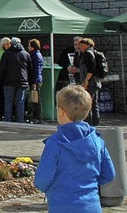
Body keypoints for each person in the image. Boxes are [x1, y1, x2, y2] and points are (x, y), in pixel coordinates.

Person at [35, 84, 115, 212]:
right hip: (92, 206)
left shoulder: (54, 143)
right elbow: (109, 174)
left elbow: (42, 180)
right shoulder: (98, 141)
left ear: (61, 112)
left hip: (62, 206)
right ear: (88, 112)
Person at [0, 37, 32, 123]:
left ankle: (8, 120)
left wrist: (2, 79)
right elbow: (30, 68)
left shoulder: (6, 54)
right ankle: (20, 120)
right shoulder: (25, 54)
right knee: (20, 101)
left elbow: (1, 68)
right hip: (22, 81)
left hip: (8, 81)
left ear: (11, 44)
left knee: (8, 101)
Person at [78, 38, 102, 126]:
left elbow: (91, 69)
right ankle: (95, 123)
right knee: (94, 103)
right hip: (95, 82)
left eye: (81, 44)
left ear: (87, 44)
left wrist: (86, 80)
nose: (79, 47)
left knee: (87, 103)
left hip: (90, 82)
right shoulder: (94, 52)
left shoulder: (87, 54)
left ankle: (89, 123)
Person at [27, 38, 44, 124]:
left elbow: (36, 70)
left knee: (36, 99)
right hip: (37, 79)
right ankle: (35, 116)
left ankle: (37, 117)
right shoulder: (36, 54)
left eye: (29, 46)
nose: (28, 47)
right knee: (35, 99)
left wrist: (34, 82)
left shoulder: (35, 56)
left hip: (36, 80)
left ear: (33, 47)